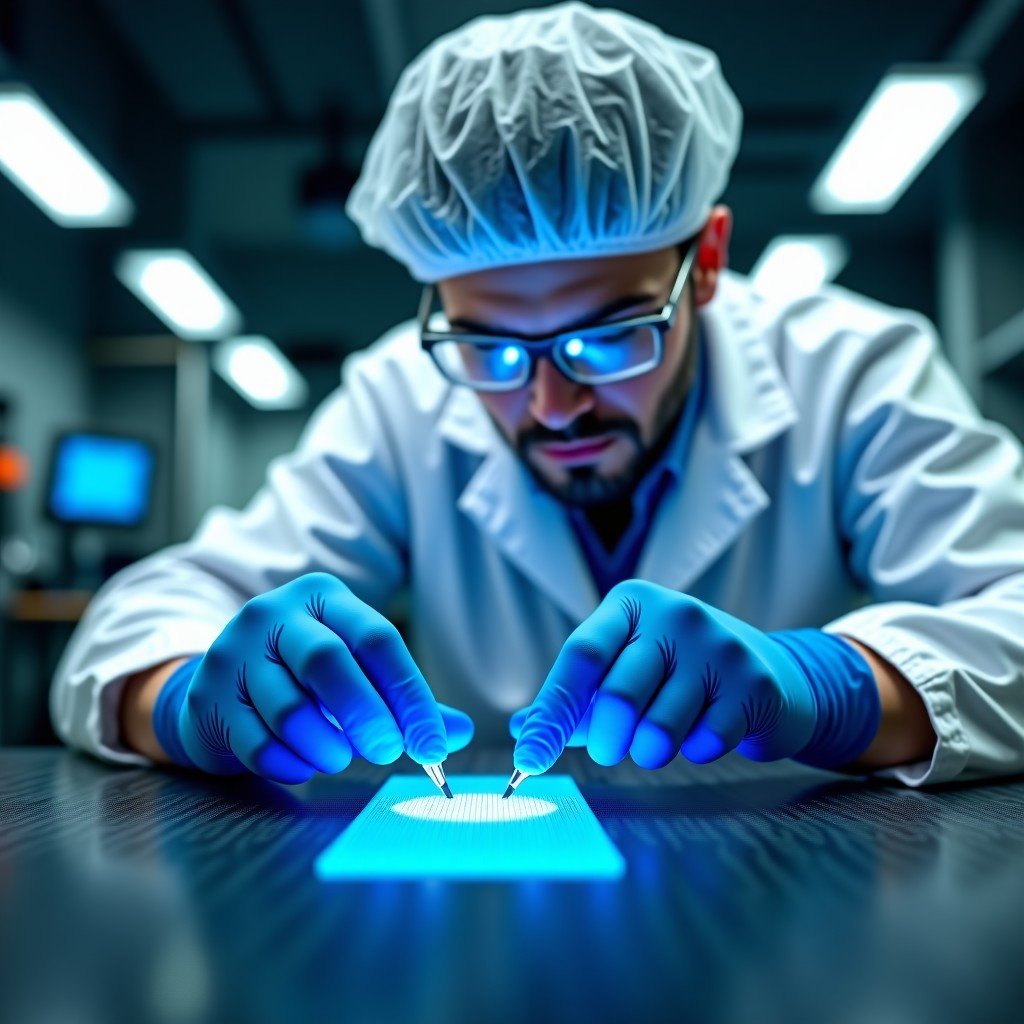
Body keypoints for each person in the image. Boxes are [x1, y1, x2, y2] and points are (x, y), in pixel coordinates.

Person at [53, 2, 1024, 789]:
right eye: (489, 347)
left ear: (710, 260)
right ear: (434, 302)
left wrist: (834, 686)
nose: (553, 405)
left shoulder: (852, 367)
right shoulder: (401, 394)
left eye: (609, 336)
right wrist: (187, 699)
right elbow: (137, 621)